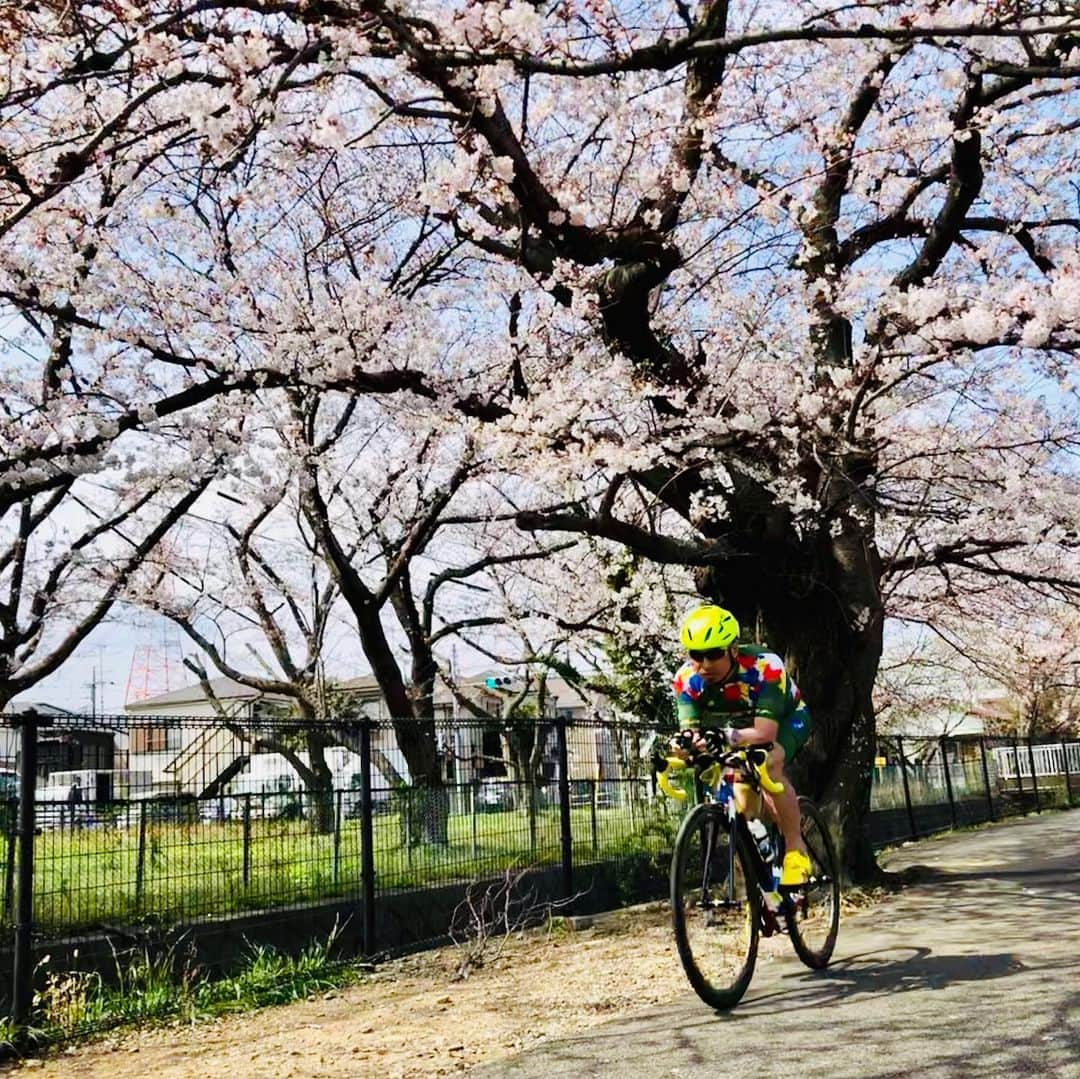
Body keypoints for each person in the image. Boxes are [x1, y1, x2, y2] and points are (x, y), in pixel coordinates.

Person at [671, 603, 813, 885]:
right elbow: (691, 732)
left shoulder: (765, 667)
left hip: (784, 721)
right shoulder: (686, 680)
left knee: (769, 762)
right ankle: (756, 878)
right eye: (696, 655)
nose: (705, 664)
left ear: (734, 650)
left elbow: (764, 734)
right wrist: (683, 745)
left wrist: (724, 737)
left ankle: (796, 850)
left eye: (714, 654)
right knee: (742, 796)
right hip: (735, 728)